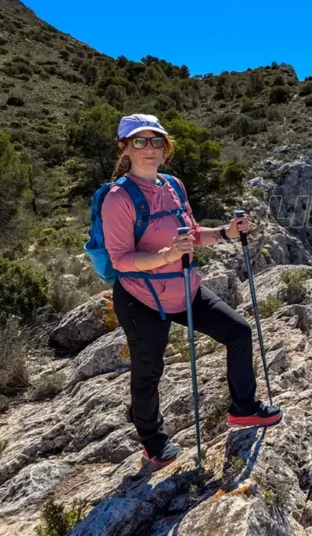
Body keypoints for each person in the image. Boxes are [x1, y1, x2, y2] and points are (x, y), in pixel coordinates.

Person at [103, 114, 282, 468]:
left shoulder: (173, 185)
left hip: (184, 288)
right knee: (148, 369)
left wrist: (227, 233)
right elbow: (121, 260)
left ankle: (243, 409)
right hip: (141, 299)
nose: (149, 148)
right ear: (124, 147)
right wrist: (167, 255)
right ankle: (153, 442)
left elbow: (193, 233)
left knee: (239, 333)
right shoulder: (118, 198)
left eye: (156, 141)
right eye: (139, 141)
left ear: (165, 147)